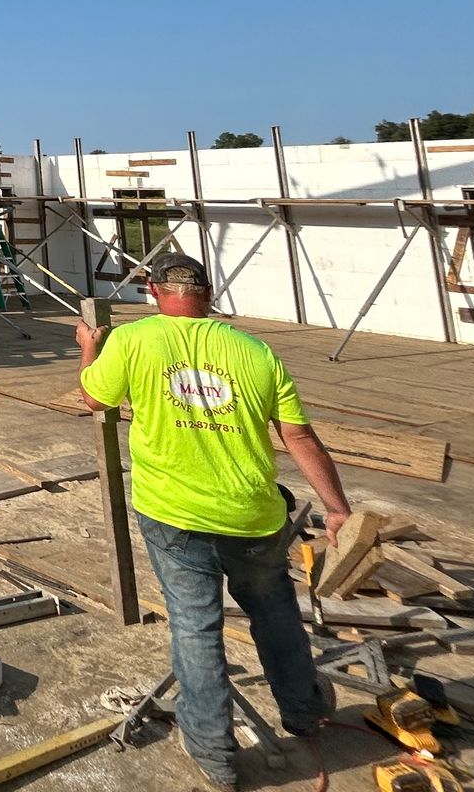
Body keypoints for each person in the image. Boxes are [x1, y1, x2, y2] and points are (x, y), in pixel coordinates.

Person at [77, 252, 348, 791]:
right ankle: (305, 711)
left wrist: (90, 348)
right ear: (209, 292)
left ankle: (214, 752)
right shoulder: (254, 350)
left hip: (174, 514)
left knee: (196, 627)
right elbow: (297, 436)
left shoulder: (132, 341)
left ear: (153, 291)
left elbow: (93, 398)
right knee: (274, 611)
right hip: (252, 514)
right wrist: (337, 507)